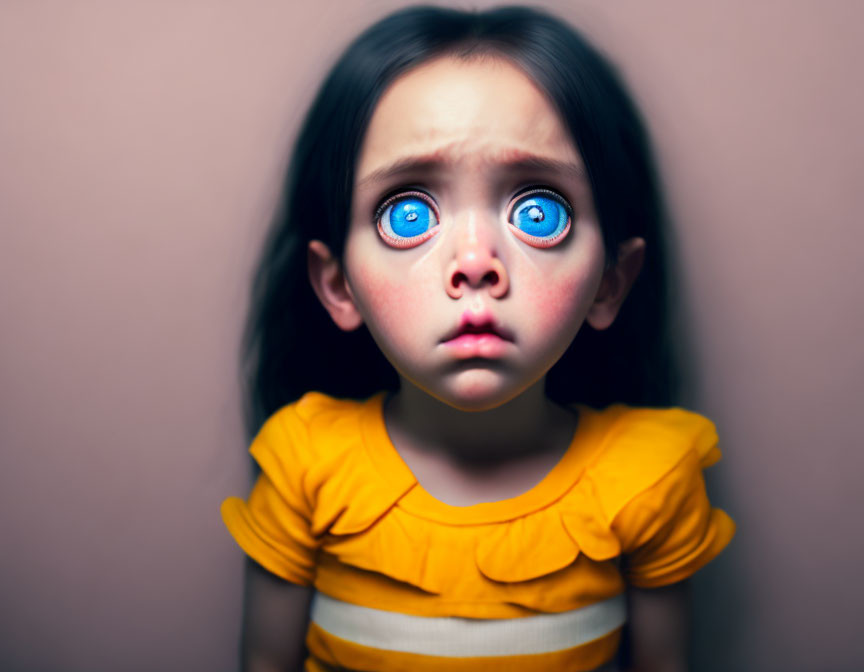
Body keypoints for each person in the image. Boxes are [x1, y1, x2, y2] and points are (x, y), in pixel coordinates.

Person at [221, 5, 736, 671]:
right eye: (407, 214)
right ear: (338, 284)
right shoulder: (305, 470)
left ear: (610, 281)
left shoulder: (646, 484)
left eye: (538, 211)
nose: (474, 261)